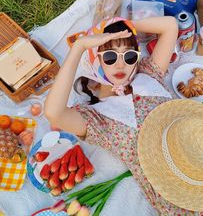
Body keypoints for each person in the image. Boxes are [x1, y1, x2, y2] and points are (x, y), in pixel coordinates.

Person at [45, 15, 188, 214]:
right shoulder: (96, 119)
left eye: (129, 56)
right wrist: (80, 46)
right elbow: (53, 112)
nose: (121, 65)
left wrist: (119, 27)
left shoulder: (148, 73)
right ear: (94, 60)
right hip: (180, 196)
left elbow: (170, 25)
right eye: (110, 57)